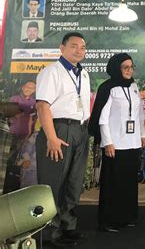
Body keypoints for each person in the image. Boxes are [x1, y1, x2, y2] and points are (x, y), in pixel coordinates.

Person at [35, 32, 91, 247]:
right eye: (74, 46)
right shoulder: (52, 72)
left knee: (73, 182)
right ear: (62, 48)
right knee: (53, 183)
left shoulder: (83, 74)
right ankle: (50, 233)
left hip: (79, 130)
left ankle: (68, 226)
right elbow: (42, 106)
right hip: (58, 129)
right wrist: (51, 137)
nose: (79, 50)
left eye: (83, 47)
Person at [88, 53, 145, 232]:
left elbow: (139, 114)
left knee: (129, 182)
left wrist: (142, 134)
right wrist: (108, 142)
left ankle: (127, 216)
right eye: (125, 67)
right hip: (115, 143)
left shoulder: (134, 86)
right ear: (116, 68)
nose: (129, 70)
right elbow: (102, 118)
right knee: (112, 183)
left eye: (131, 67)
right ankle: (108, 221)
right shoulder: (108, 88)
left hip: (133, 142)